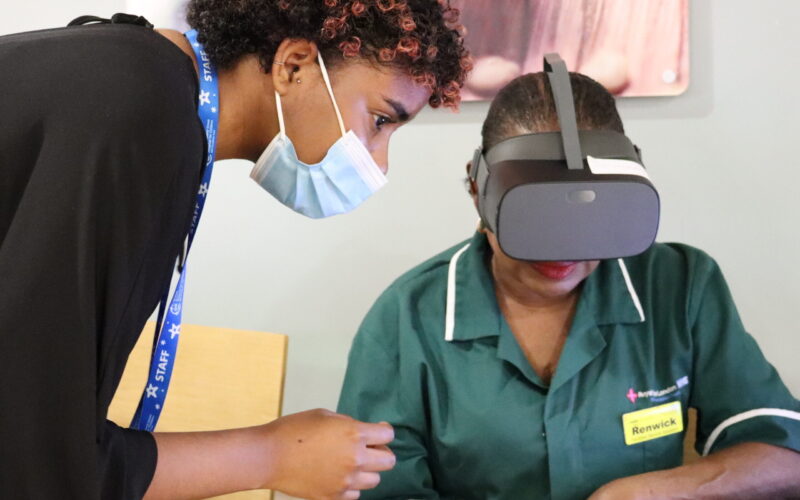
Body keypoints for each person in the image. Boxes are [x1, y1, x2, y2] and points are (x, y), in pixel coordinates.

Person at [0, 1, 471, 499]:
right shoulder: (139, 115)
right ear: (294, 66)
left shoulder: (141, 78)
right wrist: (273, 455)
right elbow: (36, 466)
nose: (381, 162)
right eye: (380, 120)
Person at [337, 72, 800, 499]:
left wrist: (647, 493)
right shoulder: (408, 318)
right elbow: (378, 490)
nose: (562, 252)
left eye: (588, 215)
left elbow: (785, 454)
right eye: (533, 216)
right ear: (479, 191)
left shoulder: (679, 287)